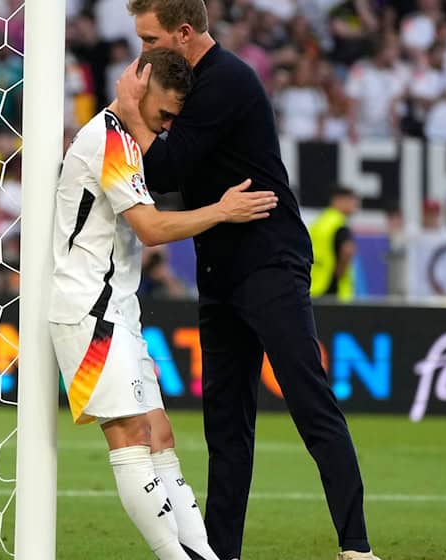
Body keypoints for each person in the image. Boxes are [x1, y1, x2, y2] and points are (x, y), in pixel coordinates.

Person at [116, 2, 378, 559]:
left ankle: (355, 546)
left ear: (184, 34)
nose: (142, 53)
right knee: (226, 428)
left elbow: (164, 170)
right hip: (221, 268)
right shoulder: (191, 86)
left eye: (149, 39)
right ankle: (221, 553)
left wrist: (128, 109)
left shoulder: (227, 80)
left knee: (309, 400)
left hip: (268, 262)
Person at [50, 48, 277, 560]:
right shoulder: (108, 138)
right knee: (132, 434)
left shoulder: (126, 136)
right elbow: (150, 228)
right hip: (89, 309)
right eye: (164, 114)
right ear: (140, 84)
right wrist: (221, 211)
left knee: (159, 432)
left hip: (117, 309)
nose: (168, 125)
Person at [309, 186, 359, 301]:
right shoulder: (339, 223)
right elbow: (347, 249)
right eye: (351, 200)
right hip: (333, 287)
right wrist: (341, 269)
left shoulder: (319, 222)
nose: (354, 205)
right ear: (338, 200)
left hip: (315, 285)